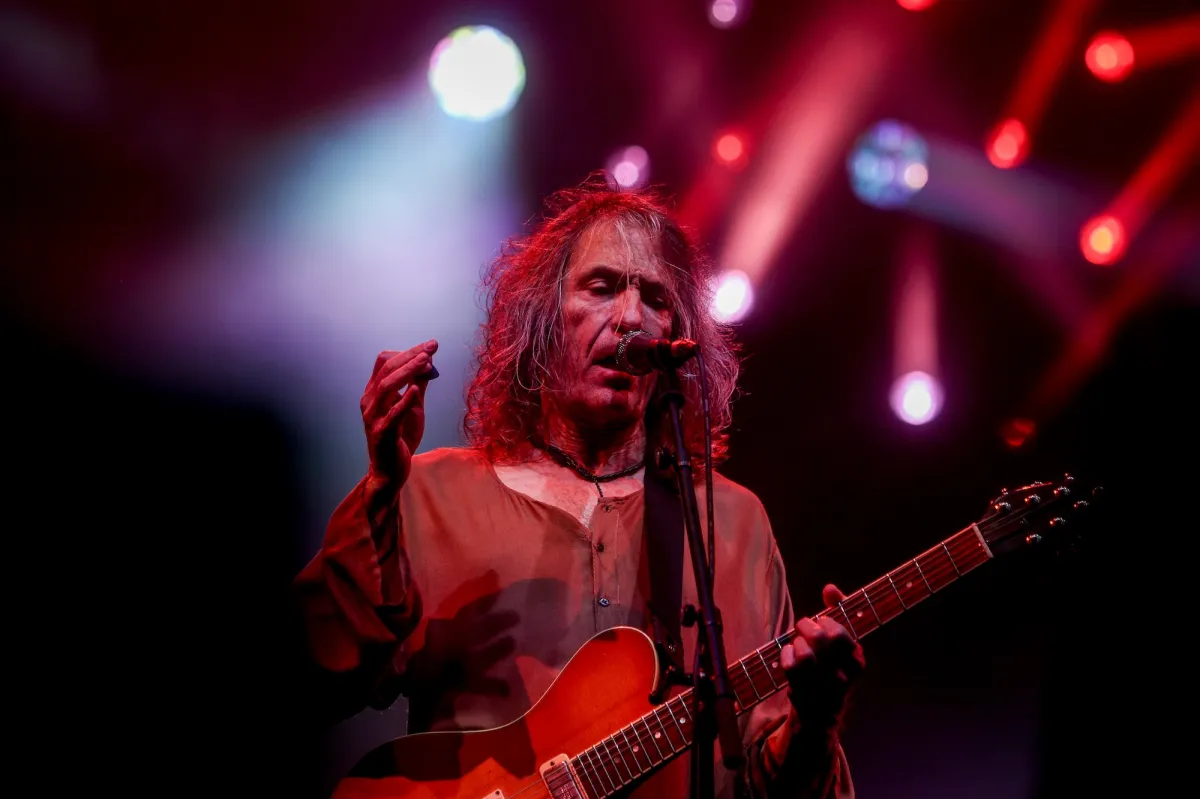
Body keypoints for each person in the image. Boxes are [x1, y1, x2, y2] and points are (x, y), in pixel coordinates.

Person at [291, 174, 865, 798]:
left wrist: (816, 721)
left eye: (656, 298)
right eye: (602, 287)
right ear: (542, 319)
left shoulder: (730, 521)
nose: (631, 318)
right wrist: (380, 494)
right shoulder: (430, 495)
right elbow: (303, 685)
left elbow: (767, 785)